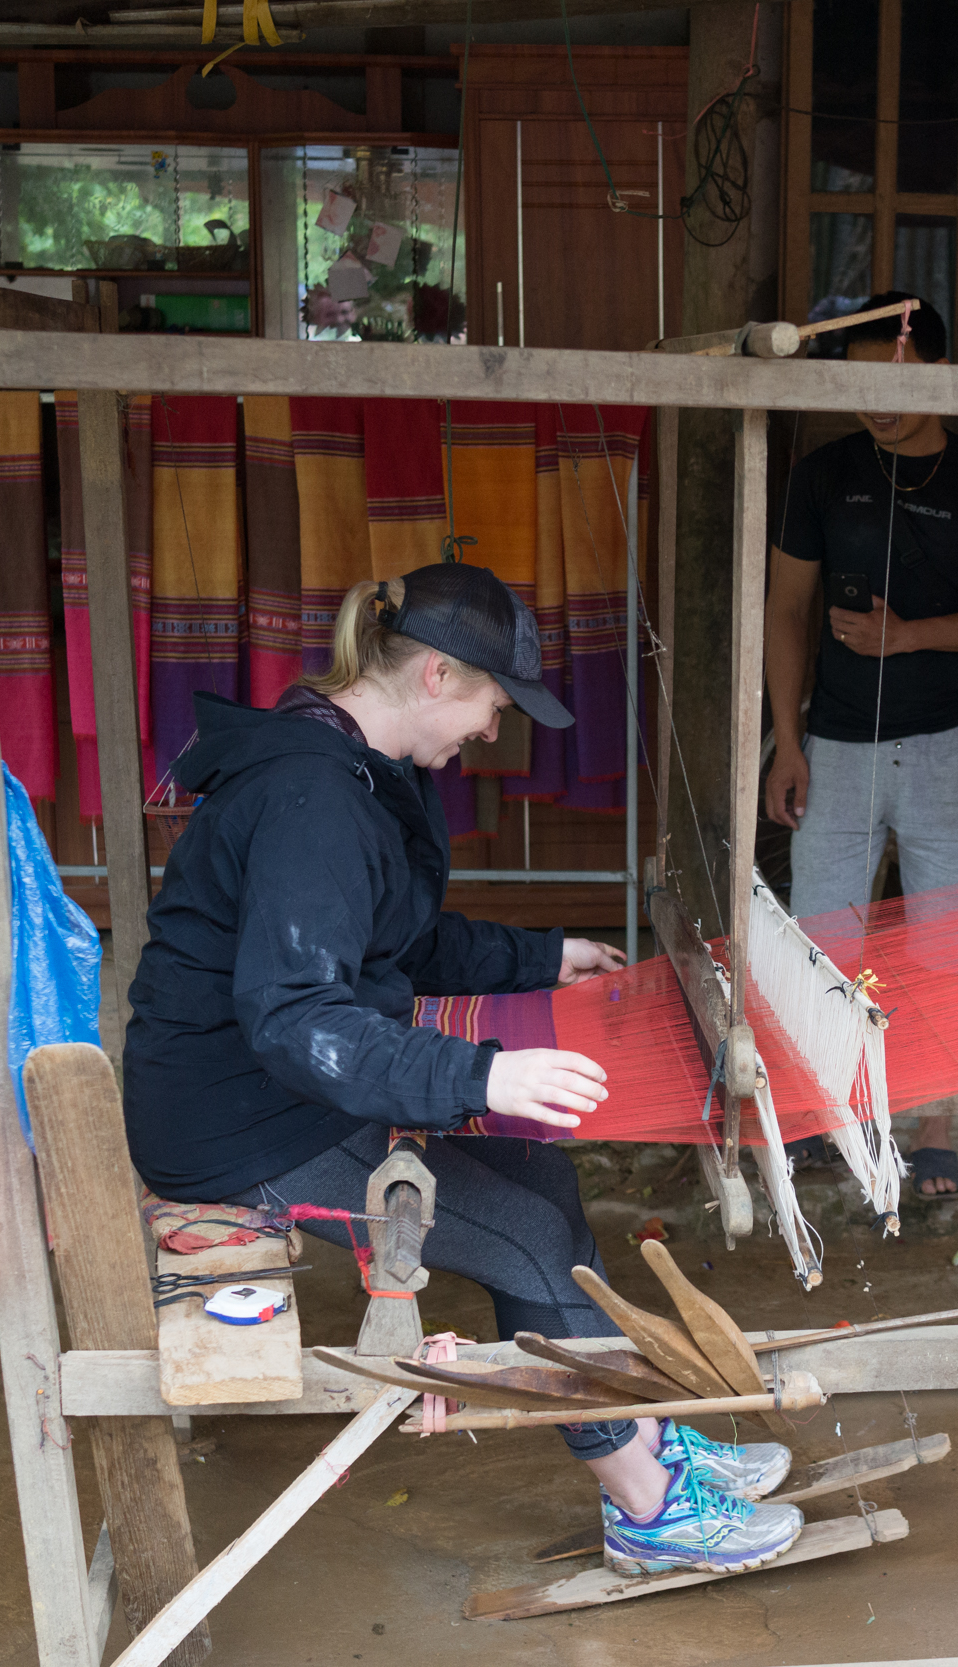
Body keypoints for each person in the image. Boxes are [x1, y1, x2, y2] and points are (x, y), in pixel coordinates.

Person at [122, 564, 804, 1575]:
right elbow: (296, 1015)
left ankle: (643, 1431)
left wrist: (540, 957)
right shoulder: (312, 794)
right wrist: (477, 1078)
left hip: (289, 1085)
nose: (494, 727)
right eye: (494, 699)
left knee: (541, 1178)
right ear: (438, 674)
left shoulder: (344, 761)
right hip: (238, 1122)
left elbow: (385, 943)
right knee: (529, 1238)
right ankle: (647, 1511)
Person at [762, 291, 958, 1199]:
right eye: (856, 383)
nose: (876, 402)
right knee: (822, 941)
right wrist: (786, 736)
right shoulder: (822, 472)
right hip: (834, 745)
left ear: (937, 370)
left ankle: (934, 1126)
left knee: (949, 945)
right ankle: (819, 1115)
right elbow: (787, 606)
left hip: (946, 743)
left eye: (895, 380)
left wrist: (912, 637)